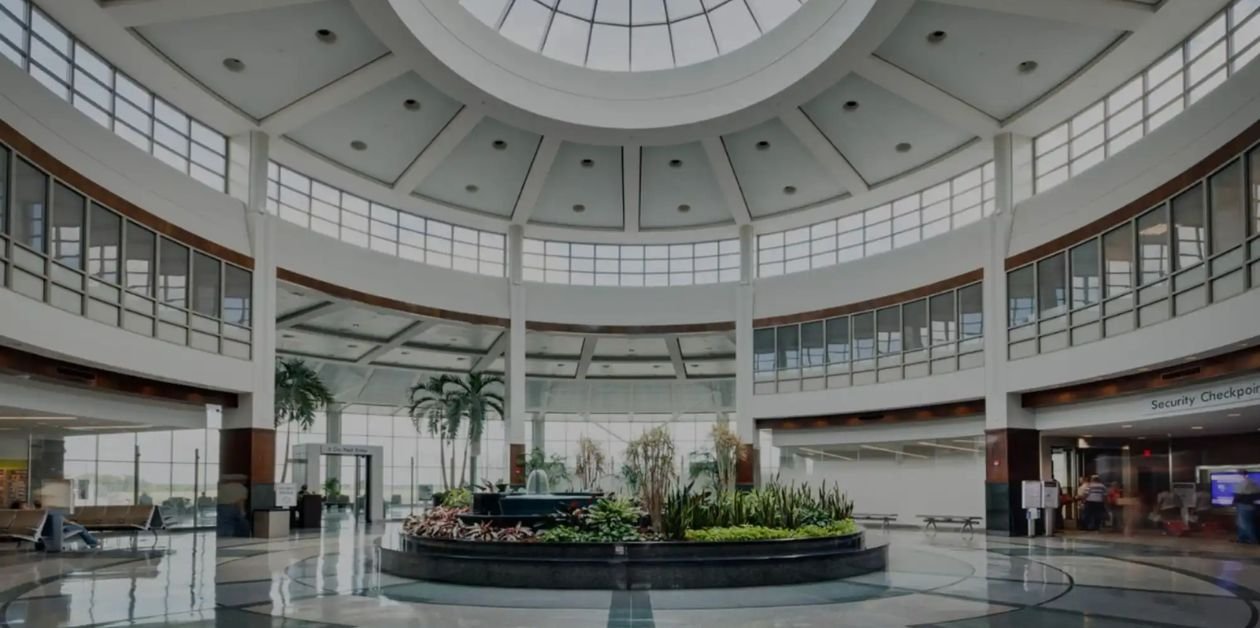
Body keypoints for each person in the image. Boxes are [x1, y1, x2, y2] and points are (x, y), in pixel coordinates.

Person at [1234, 473, 1259, 544]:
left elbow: (1238, 495)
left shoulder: (1242, 483)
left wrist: (1234, 502)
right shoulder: (1254, 483)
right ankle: (1243, 539)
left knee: (1245, 524)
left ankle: (1251, 539)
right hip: (1253, 506)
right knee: (1251, 523)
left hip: (1244, 506)